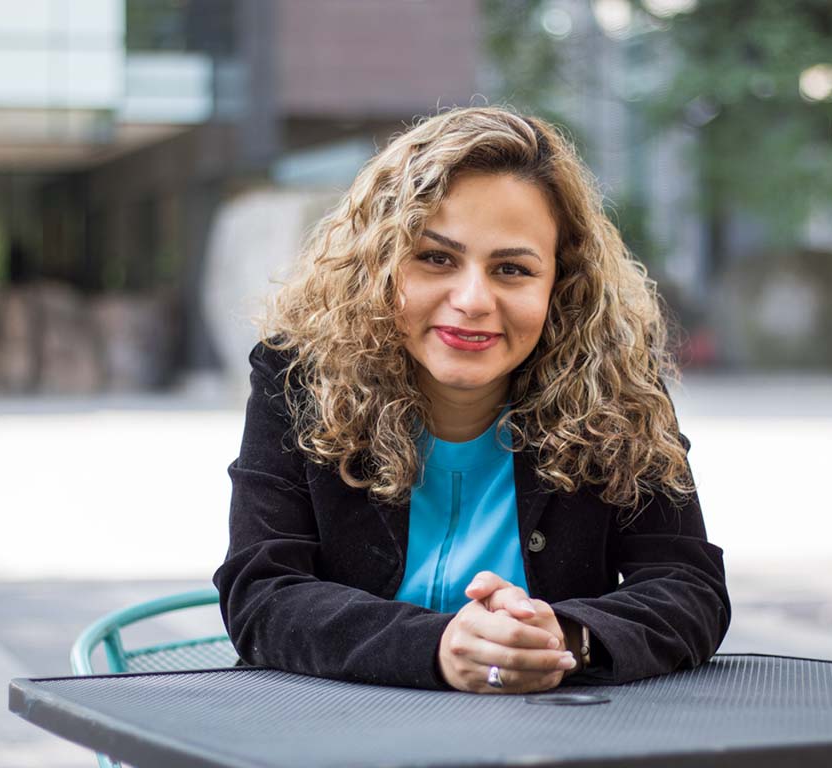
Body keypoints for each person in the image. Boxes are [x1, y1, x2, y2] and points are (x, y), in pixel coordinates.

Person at [213, 106, 730, 695]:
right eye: (436, 258)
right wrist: (436, 648)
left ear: (561, 286)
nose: (473, 299)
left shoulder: (617, 386)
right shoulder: (300, 376)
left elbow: (689, 587)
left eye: (512, 269)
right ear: (379, 265)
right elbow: (262, 593)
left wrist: (565, 637)